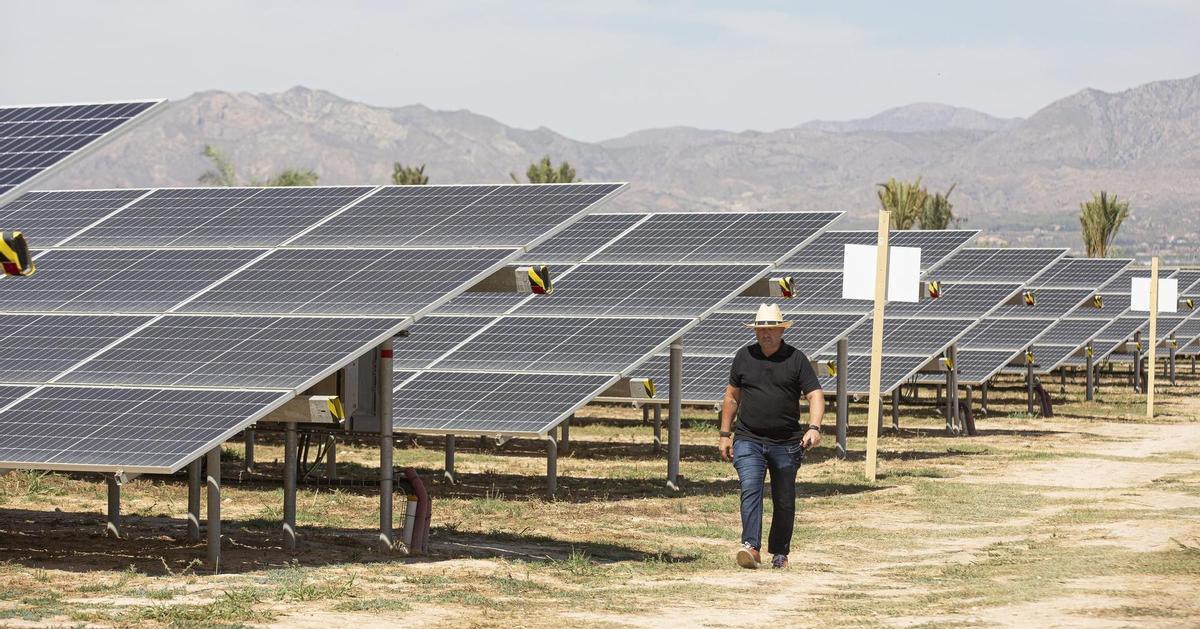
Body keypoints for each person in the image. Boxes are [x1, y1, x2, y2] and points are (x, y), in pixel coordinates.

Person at [718, 303, 825, 569]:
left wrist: (814, 427)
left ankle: (779, 552)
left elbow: (815, 395)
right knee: (751, 488)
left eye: (770, 329)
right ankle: (750, 547)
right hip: (748, 438)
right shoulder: (744, 356)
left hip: (786, 443)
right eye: (760, 329)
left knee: (784, 497)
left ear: (781, 330)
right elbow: (732, 396)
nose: (764, 334)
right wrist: (724, 433)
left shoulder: (796, 359)